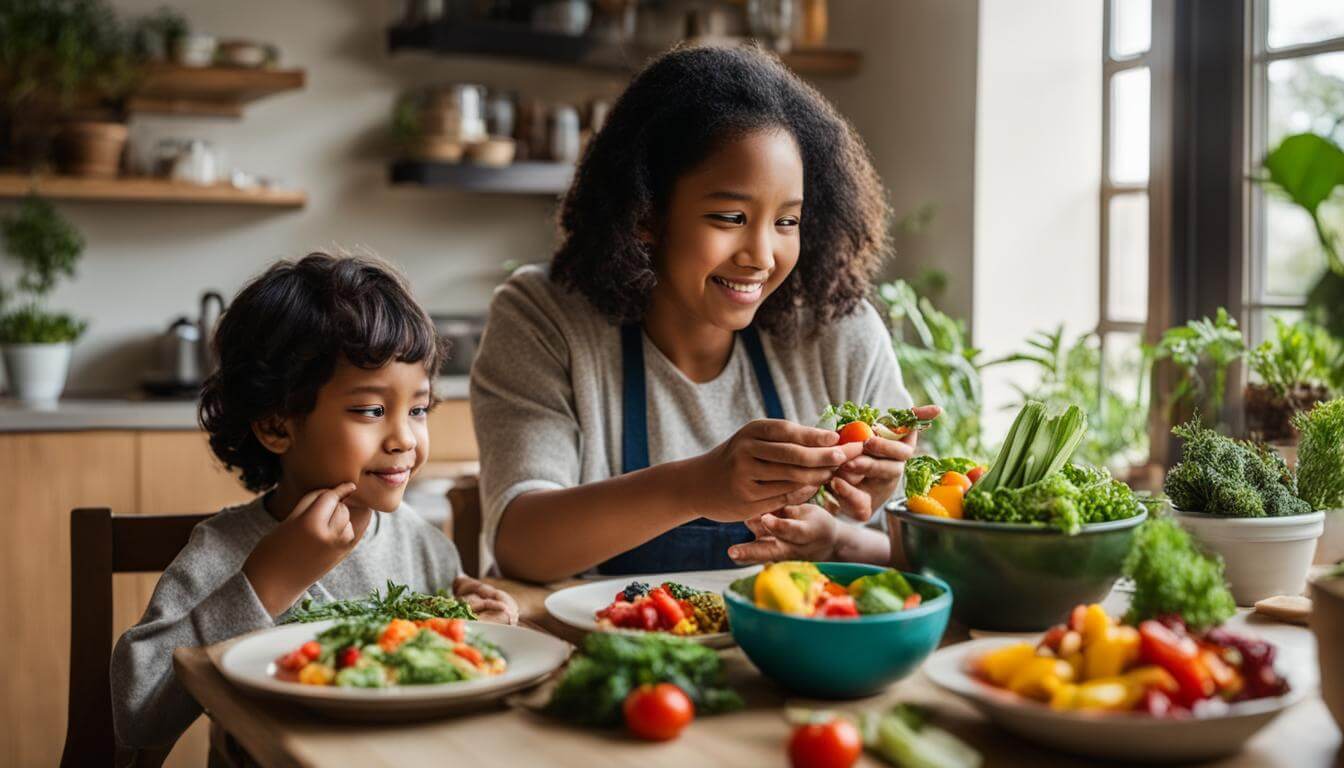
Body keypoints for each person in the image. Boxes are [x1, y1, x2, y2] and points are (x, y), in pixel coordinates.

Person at [472, 45, 935, 582]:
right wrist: (695, 487)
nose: (761, 256)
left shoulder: (838, 329)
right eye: (730, 216)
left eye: (787, 222)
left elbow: (918, 554)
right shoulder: (544, 317)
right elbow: (521, 545)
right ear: (647, 213)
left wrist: (859, 517)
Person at [111, 253, 517, 753]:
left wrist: (477, 636)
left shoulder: (426, 548)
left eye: (417, 409)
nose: (405, 439)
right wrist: (263, 585)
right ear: (276, 424)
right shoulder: (223, 550)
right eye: (371, 410)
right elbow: (131, 722)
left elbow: (437, 695)